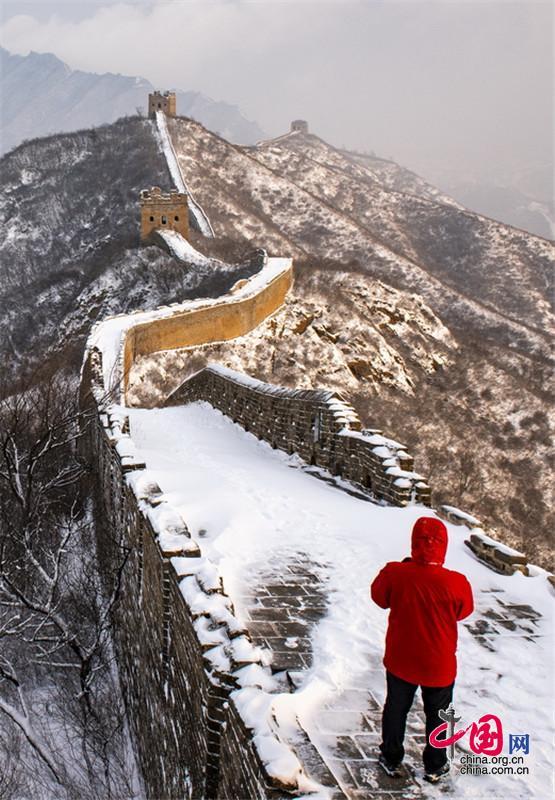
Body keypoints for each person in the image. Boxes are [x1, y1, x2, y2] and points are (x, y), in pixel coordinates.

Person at [370, 516, 474, 783]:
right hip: (438, 663)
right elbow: (464, 611)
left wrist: (406, 569)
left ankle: (391, 757)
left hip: (401, 658)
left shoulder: (395, 573)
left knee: (396, 708)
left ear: (414, 543)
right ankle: (435, 765)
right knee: (438, 715)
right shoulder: (457, 582)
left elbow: (379, 597)